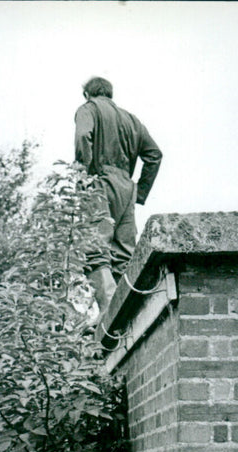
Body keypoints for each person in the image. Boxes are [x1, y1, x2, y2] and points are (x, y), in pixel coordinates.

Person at [74, 76, 162, 313]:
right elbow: (155, 155)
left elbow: (83, 136)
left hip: (98, 183)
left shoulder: (88, 109)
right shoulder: (132, 120)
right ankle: (130, 318)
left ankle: (110, 317)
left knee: (96, 251)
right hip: (126, 189)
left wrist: (85, 174)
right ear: (110, 94)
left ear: (87, 94)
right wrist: (139, 192)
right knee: (125, 257)